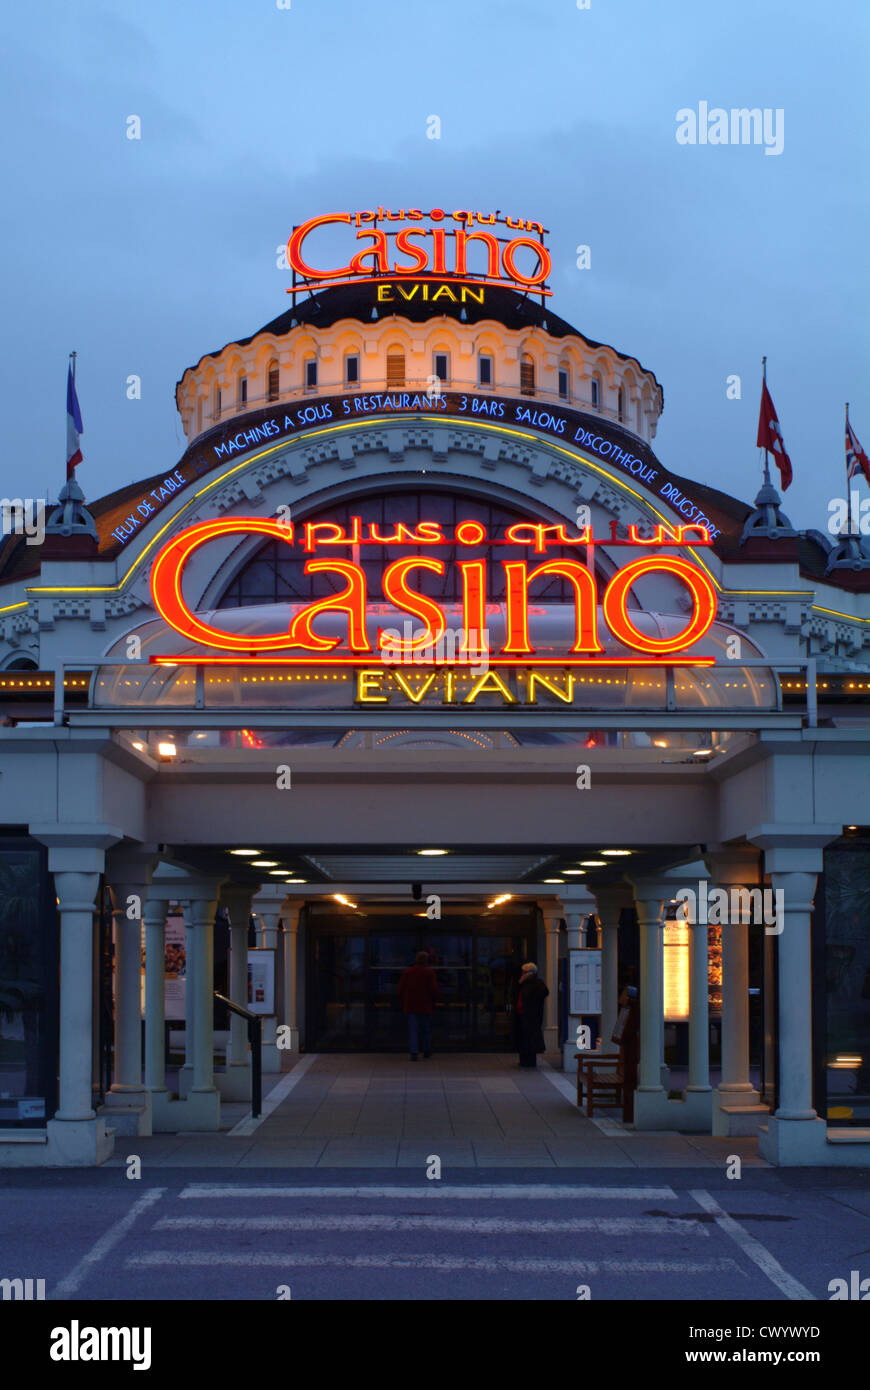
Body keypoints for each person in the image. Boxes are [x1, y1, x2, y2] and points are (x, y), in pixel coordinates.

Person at [397, 950, 439, 1060]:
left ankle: (414, 1052)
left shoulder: (407, 972)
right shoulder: (429, 972)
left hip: (411, 1004)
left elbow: (401, 988)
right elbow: (433, 989)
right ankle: (426, 1051)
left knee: (413, 1030)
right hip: (425, 1004)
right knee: (425, 1029)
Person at [512, 962, 549, 1068]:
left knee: (530, 1039)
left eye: (525, 972)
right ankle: (523, 1059)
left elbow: (544, 992)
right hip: (521, 1015)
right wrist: (519, 983)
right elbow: (514, 994)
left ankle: (530, 1061)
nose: (523, 974)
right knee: (522, 1038)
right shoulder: (522, 983)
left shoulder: (537, 983)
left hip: (531, 1016)